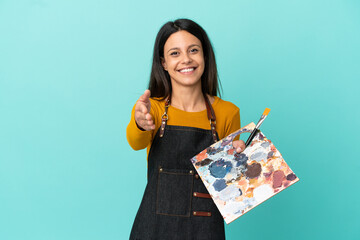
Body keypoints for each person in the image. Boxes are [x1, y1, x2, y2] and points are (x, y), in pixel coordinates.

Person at [126, 18, 245, 240]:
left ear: (205, 56)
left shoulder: (228, 112)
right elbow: (135, 142)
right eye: (175, 53)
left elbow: (230, 190)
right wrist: (140, 124)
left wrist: (241, 162)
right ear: (163, 63)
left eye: (193, 50)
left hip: (205, 230)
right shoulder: (152, 107)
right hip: (154, 230)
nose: (186, 59)